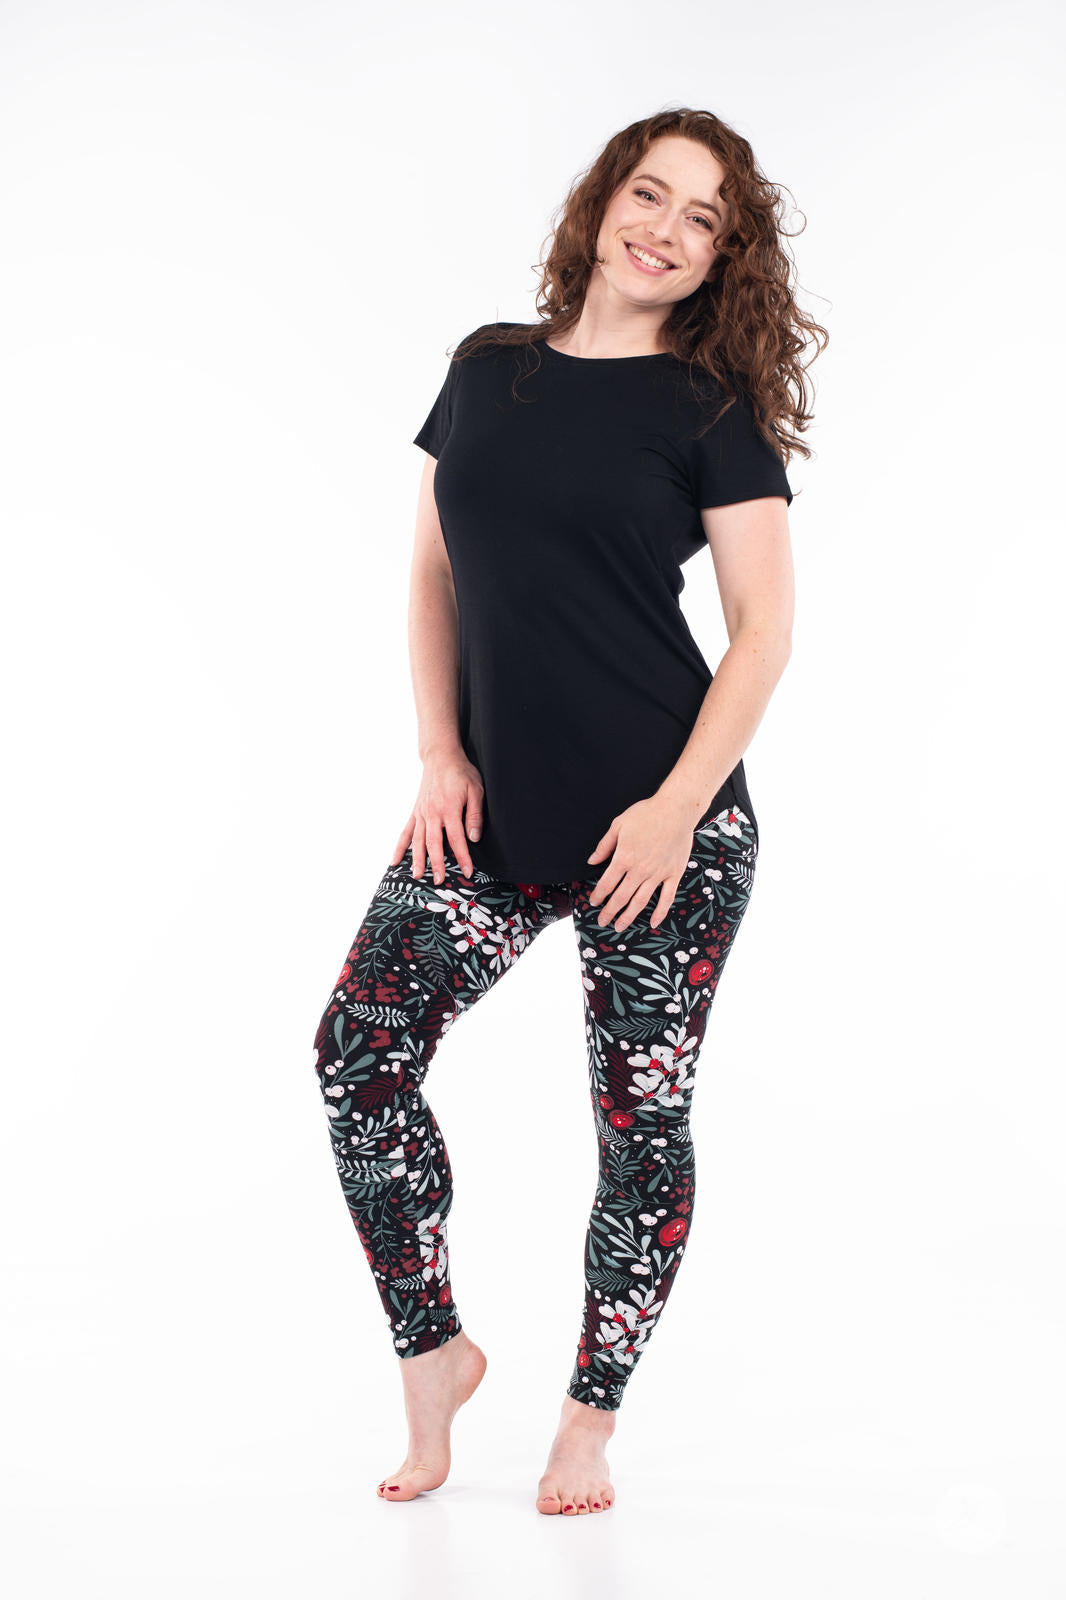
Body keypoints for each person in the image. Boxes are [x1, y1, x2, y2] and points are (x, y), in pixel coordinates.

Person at [311, 107, 825, 1516]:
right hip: (491, 811)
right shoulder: (488, 368)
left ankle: (589, 1421)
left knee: (638, 1132)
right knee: (357, 1054)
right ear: (603, 202)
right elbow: (433, 572)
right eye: (648, 194)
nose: (664, 229)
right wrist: (438, 751)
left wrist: (676, 809)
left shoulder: (708, 410)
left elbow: (764, 633)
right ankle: (435, 1353)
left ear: (721, 258)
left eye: (702, 219)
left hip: (662, 831)